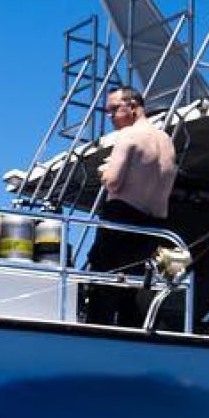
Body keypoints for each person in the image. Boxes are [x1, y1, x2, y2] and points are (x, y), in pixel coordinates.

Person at [80, 87, 178, 327]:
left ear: (133, 107)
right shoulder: (166, 140)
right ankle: (131, 332)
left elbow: (113, 182)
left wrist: (104, 171)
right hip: (155, 226)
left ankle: (95, 333)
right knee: (132, 289)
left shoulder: (128, 136)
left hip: (122, 219)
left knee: (103, 287)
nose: (110, 116)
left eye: (114, 109)